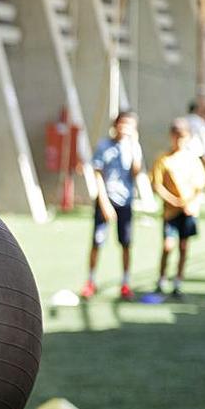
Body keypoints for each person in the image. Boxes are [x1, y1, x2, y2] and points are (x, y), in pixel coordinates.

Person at [80, 111, 143, 301]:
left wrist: (134, 145)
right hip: (106, 199)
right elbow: (98, 174)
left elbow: (136, 172)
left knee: (125, 242)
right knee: (97, 241)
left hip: (126, 201)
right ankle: (90, 280)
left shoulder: (132, 147)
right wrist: (104, 202)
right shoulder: (104, 145)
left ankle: (125, 282)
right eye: (122, 124)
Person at [151, 120, 205, 296]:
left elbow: (199, 184)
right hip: (170, 211)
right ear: (171, 136)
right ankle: (161, 278)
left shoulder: (193, 160)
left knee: (183, 246)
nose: (179, 140)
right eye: (176, 136)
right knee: (168, 245)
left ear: (188, 137)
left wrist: (189, 203)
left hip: (188, 210)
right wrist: (172, 200)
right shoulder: (164, 159)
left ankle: (178, 281)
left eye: (182, 136)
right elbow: (157, 185)